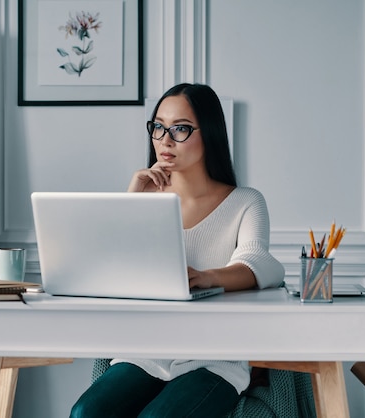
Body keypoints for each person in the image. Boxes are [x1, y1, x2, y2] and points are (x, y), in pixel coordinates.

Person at [69, 83, 285, 418]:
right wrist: (132, 200)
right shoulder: (143, 198)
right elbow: (108, 270)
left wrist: (204, 277)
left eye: (180, 129)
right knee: (86, 412)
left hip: (214, 360)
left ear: (209, 133)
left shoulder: (245, 201)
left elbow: (260, 264)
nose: (164, 140)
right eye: (158, 127)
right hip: (145, 354)